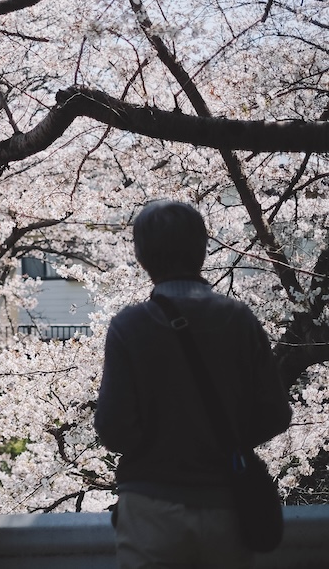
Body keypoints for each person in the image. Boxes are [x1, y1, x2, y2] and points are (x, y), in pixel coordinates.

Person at [94, 200, 292, 568]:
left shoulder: (129, 327)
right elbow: (275, 415)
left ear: (141, 257)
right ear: (202, 250)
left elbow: (114, 429)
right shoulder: (239, 320)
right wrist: (227, 440)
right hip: (226, 508)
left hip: (151, 507)